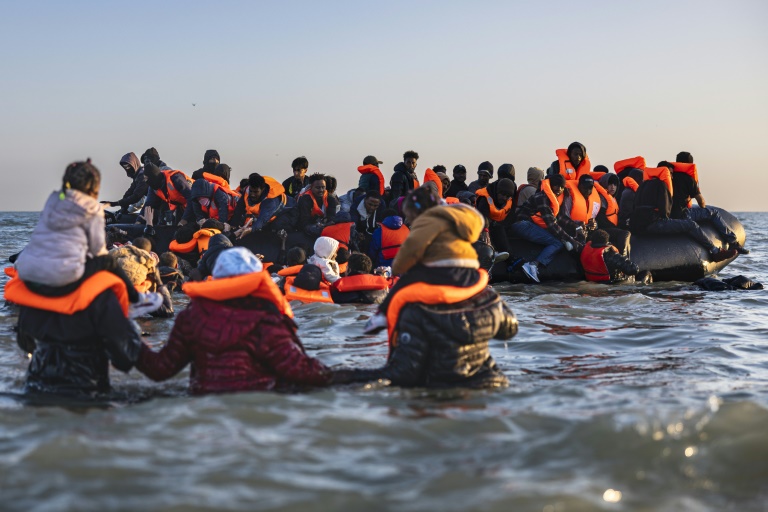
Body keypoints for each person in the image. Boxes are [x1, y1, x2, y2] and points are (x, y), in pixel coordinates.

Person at [337, 187, 518, 388]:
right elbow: (509, 330)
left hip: (443, 395)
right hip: (490, 387)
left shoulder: (416, 310)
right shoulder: (486, 298)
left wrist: (346, 376)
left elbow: (401, 373)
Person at [136, 247, 332, 394]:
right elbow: (303, 371)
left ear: (218, 278)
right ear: (257, 280)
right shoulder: (267, 320)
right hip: (256, 410)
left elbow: (159, 369)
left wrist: (127, 334)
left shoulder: (191, 317)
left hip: (202, 409)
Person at [14, 160, 162, 316]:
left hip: (28, 270)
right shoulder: (89, 207)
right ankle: (134, 298)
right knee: (107, 261)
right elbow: (98, 252)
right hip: (62, 279)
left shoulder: (54, 199)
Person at [629, 164, 736, 262]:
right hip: (652, 224)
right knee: (691, 225)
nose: (672, 177)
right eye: (670, 174)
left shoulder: (643, 186)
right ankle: (715, 251)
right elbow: (665, 212)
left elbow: (634, 207)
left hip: (637, 227)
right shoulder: (662, 185)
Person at [669, 153, 747, 253]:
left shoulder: (669, 176)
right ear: (690, 164)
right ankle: (733, 243)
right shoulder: (689, 179)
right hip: (683, 213)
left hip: (668, 214)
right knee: (713, 213)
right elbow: (701, 203)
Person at [511, 174, 583, 283]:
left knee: (560, 239)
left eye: (561, 187)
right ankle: (532, 265)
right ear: (551, 185)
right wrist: (570, 240)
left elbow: (560, 218)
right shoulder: (542, 197)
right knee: (557, 243)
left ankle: (535, 265)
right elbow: (551, 224)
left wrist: (577, 225)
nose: (559, 189)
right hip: (522, 224)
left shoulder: (555, 200)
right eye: (556, 186)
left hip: (531, 225)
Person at [141, 162, 195, 231]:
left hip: (196, 203)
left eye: (146, 178)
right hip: (180, 206)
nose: (145, 181)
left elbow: (191, 197)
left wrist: (185, 219)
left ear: (153, 177)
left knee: (188, 227)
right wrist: (139, 220)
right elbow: (148, 204)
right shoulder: (153, 187)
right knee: (177, 228)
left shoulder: (175, 178)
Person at [580, 229, 648, 283]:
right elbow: (633, 270)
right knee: (646, 273)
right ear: (606, 243)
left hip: (592, 282)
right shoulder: (611, 255)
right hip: (612, 284)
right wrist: (626, 259)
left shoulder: (584, 250)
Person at [189, 164, 241, 228]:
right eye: (198, 199)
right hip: (213, 219)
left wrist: (221, 226)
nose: (201, 200)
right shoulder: (195, 198)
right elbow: (199, 214)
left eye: (202, 197)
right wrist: (201, 221)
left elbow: (223, 212)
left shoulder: (219, 194)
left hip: (233, 215)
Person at [100, 152, 148, 217]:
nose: (127, 169)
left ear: (134, 164)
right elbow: (129, 193)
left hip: (155, 209)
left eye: (128, 166)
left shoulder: (143, 176)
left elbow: (136, 197)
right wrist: (122, 209)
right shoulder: (137, 177)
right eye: (125, 167)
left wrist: (116, 203)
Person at [476, 178, 516, 253]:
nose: (504, 198)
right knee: (487, 232)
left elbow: (511, 217)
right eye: (502, 194)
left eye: (507, 196)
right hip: (481, 224)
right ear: (497, 191)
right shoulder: (484, 198)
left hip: (498, 225)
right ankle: (489, 252)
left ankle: (506, 254)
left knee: (500, 228)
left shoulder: (510, 201)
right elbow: (482, 215)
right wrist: (485, 229)